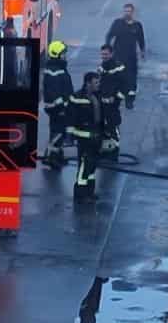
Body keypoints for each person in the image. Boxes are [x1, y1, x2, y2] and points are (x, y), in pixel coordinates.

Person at [66, 71, 105, 203]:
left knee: (92, 166)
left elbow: (102, 117)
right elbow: (70, 117)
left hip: (96, 137)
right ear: (88, 83)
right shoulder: (77, 97)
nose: (98, 85)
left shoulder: (98, 95)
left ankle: (90, 192)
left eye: (99, 82)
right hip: (84, 138)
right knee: (84, 165)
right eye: (96, 82)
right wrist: (70, 136)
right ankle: (80, 195)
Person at [106, 3, 147, 110]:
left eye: (129, 11)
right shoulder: (117, 23)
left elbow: (141, 39)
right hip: (118, 57)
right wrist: (107, 48)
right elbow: (109, 35)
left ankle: (130, 101)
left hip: (131, 58)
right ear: (123, 12)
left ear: (133, 12)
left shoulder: (137, 25)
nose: (127, 13)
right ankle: (116, 98)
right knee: (117, 78)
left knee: (131, 81)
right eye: (125, 11)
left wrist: (142, 51)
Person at [41, 41, 73, 169]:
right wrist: (62, 107)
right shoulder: (55, 70)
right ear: (58, 55)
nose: (65, 55)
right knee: (58, 132)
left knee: (58, 131)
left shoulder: (57, 67)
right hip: (57, 107)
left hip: (56, 106)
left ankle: (57, 155)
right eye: (63, 53)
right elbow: (55, 92)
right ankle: (51, 157)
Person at [97, 45, 126, 160]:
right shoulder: (101, 68)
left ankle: (114, 150)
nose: (104, 56)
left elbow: (125, 86)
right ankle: (106, 149)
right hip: (102, 104)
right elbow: (98, 84)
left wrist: (116, 99)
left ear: (112, 54)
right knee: (104, 127)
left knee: (113, 126)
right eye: (102, 54)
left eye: (106, 54)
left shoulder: (119, 68)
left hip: (112, 105)